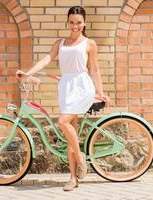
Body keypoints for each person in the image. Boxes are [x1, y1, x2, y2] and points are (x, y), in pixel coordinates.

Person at [16, 6, 110, 191]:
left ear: (84, 23)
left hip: (82, 86)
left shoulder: (89, 44)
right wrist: (27, 73)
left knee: (62, 122)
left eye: (79, 22)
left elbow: (95, 69)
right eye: (72, 22)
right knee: (70, 133)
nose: (75, 26)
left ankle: (81, 158)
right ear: (68, 22)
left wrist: (101, 92)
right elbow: (46, 60)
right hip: (66, 87)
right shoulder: (60, 43)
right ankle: (73, 178)